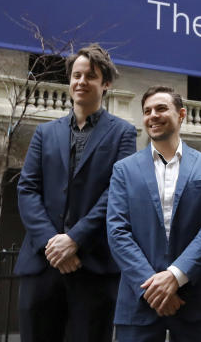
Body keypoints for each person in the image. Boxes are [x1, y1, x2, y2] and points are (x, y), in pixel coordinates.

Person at [15, 43, 137, 342]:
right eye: (76, 76)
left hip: (92, 266)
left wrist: (75, 239)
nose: (81, 81)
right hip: (43, 265)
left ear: (105, 83)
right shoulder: (45, 133)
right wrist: (53, 244)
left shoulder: (123, 133)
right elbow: (27, 188)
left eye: (90, 76)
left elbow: (117, 192)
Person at [107, 86, 201, 342]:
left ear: (181, 114)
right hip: (140, 300)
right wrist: (153, 286)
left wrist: (175, 276)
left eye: (161, 108)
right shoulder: (123, 170)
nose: (153, 115)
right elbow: (117, 231)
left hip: (195, 300)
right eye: (147, 111)